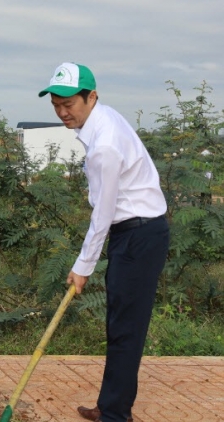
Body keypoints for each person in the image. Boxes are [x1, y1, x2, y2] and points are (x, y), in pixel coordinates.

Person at [38, 62, 169, 422]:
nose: (63, 112)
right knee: (120, 325)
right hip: (135, 233)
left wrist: (83, 267)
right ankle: (112, 405)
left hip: (138, 235)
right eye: (56, 104)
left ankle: (114, 416)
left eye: (70, 104)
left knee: (125, 329)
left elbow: (103, 213)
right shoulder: (102, 120)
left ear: (91, 96)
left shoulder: (104, 145)